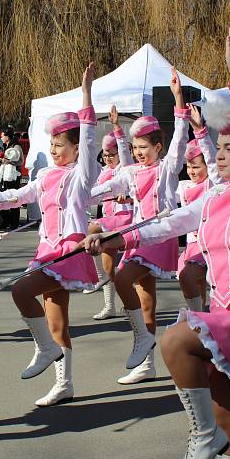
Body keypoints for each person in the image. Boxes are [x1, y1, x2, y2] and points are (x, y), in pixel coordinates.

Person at [84, 26, 230, 459]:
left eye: (228, 149)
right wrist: (114, 237)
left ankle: (200, 435)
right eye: (216, 148)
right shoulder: (215, 197)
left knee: (177, 337)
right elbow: (167, 222)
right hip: (224, 313)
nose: (217, 156)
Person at [0, 63, 99, 407]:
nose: (54, 150)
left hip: (68, 250)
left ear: (77, 149)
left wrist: (85, 95)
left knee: (21, 290)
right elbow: (16, 196)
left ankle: (46, 349)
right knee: (55, 317)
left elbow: (90, 133)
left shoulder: (82, 175)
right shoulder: (46, 176)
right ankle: (64, 383)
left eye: (61, 144)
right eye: (51, 144)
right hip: (46, 249)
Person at [90, 66, 189, 383]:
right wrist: (76, 198)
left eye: (143, 148)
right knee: (146, 301)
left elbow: (180, 138)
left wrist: (178, 99)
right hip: (137, 236)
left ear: (158, 148)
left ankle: (144, 341)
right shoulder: (130, 173)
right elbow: (105, 190)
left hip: (159, 235)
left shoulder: (168, 168)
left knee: (122, 278)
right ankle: (146, 363)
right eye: (134, 149)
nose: (137, 153)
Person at [86, 105, 134, 322]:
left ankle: (97, 279)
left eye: (111, 154)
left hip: (125, 219)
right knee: (108, 267)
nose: (107, 158)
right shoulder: (104, 171)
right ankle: (110, 306)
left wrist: (117, 128)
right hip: (109, 221)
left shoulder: (126, 168)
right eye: (105, 155)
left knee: (91, 230)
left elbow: (124, 152)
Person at [176, 105, 219, 316]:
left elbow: (211, 160)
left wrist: (200, 131)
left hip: (211, 243)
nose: (192, 171)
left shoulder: (212, 183)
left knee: (193, 278)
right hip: (192, 246)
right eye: (189, 167)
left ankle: (199, 320)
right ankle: (200, 316)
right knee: (195, 283)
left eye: (196, 167)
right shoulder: (183, 186)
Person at [0, 130, 24, 230]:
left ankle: (14, 222)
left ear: (8, 136)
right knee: (4, 198)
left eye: (2, 136)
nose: (1, 138)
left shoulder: (16, 146)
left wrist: (7, 161)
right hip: (5, 176)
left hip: (13, 176)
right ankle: (5, 221)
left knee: (13, 198)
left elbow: (20, 161)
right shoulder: (4, 146)